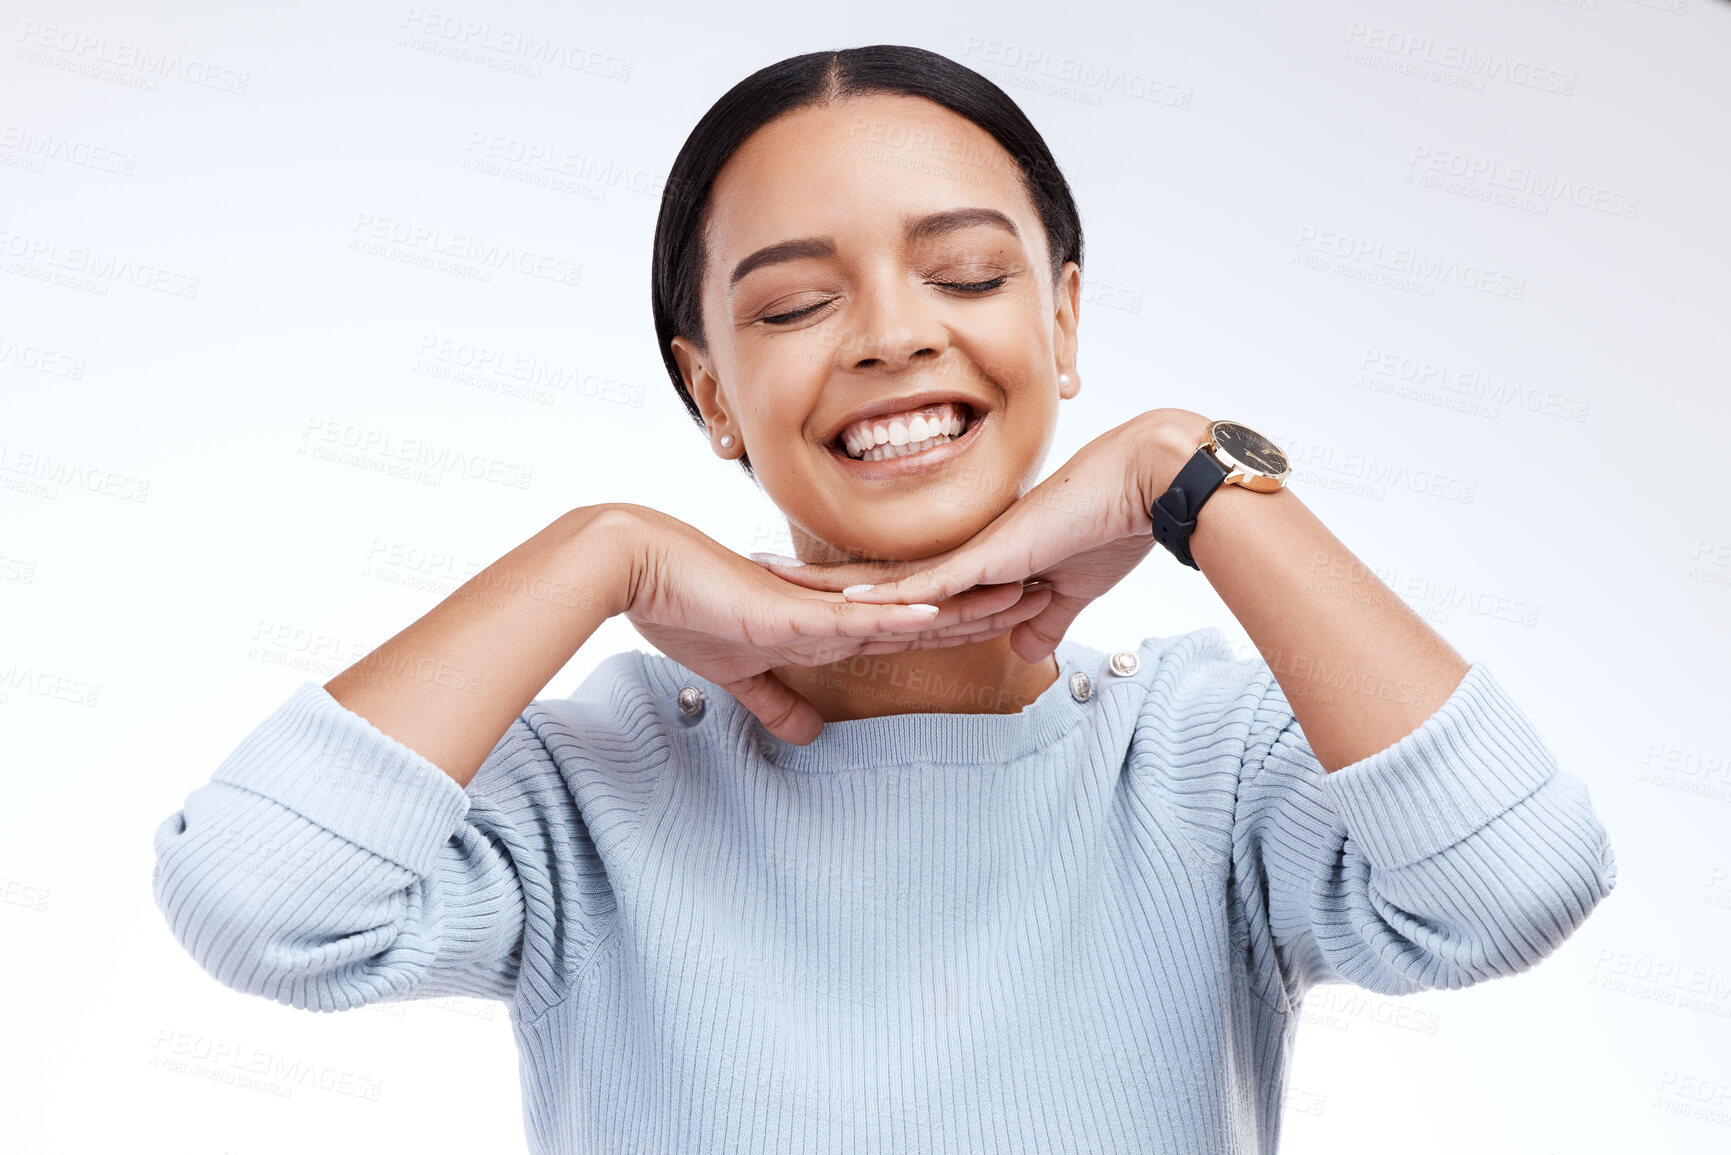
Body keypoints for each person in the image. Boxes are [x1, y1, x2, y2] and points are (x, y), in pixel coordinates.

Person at [152, 45, 1617, 1154]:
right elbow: (255, 904)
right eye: (797, 306)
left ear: (1062, 318)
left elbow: (1518, 882)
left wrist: (1187, 475)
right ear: (710, 391)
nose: (895, 337)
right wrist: (599, 552)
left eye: (968, 273)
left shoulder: (1208, 761)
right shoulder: (593, 784)